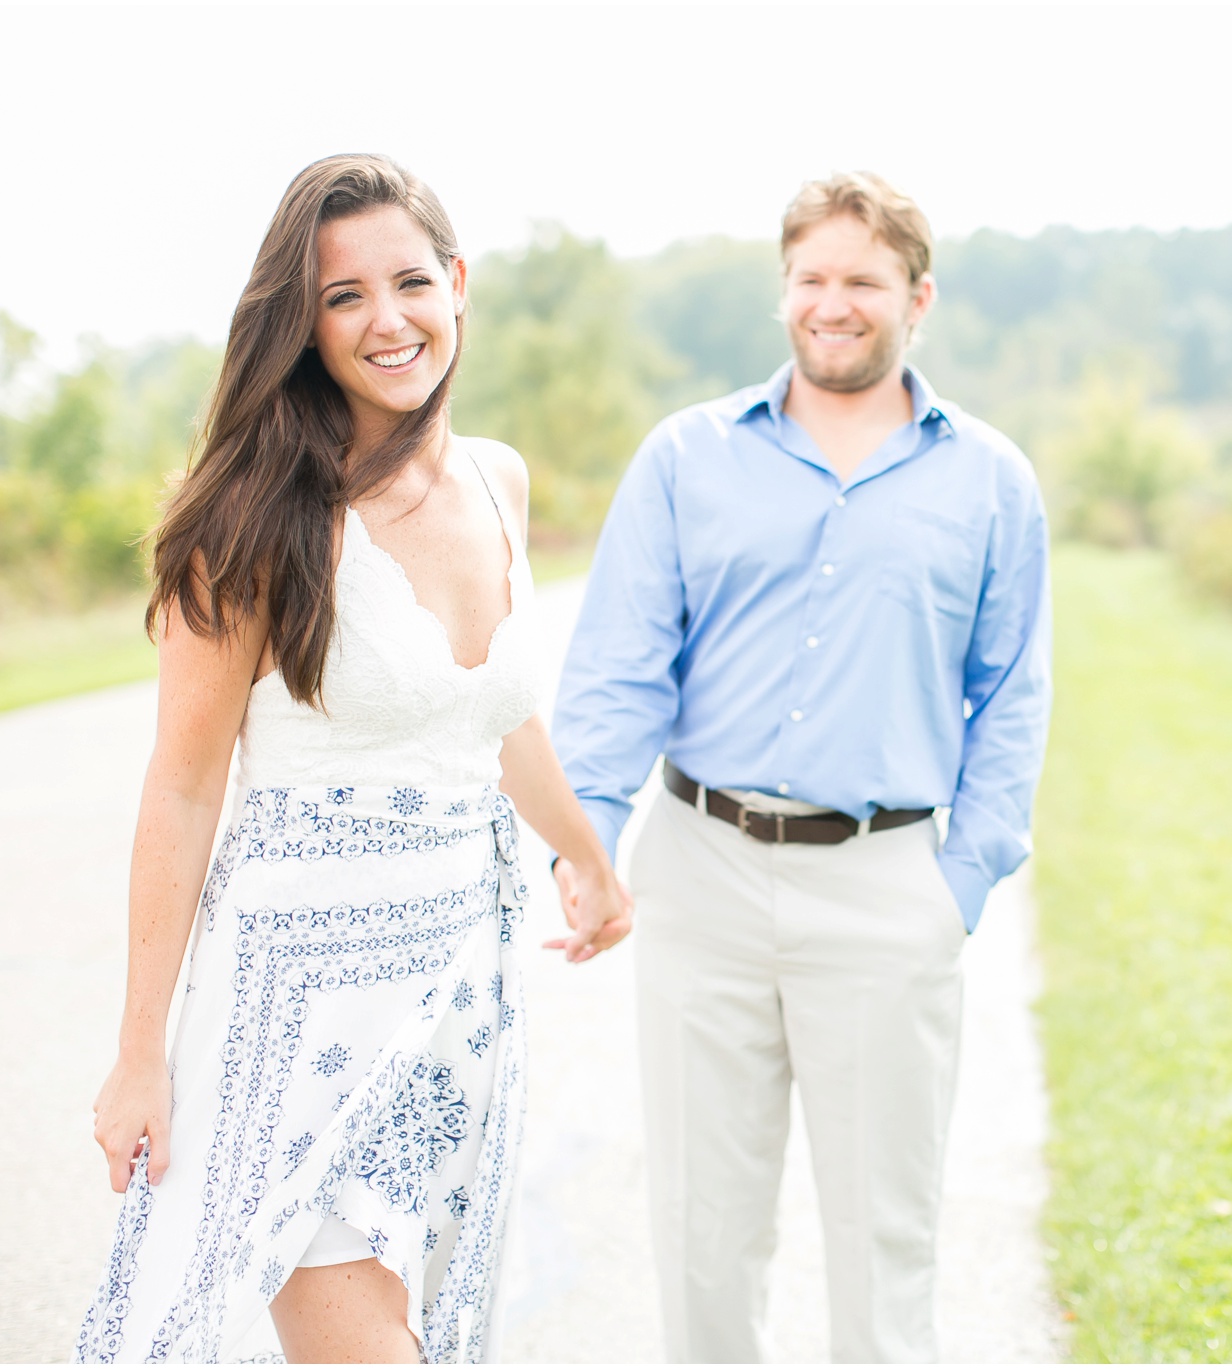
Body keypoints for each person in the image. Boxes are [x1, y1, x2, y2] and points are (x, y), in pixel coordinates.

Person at [74, 154, 632, 1365]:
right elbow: (179, 786)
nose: (388, 321)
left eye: (410, 282)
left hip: (459, 990)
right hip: (294, 1000)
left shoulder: (497, 481)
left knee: (420, 1325)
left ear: (458, 286)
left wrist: (586, 856)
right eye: (342, 297)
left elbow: (493, 718)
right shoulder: (249, 520)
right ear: (302, 322)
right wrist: (137, 1055)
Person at [552, 171, 1053, 1362]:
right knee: (701, 1227)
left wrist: (959, 884)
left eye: (862, 282)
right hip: (700, 872)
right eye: (812, 279)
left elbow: (1013, 695)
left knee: (883, 1235)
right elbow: (621, 665)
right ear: (784, 290)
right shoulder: (685, 457)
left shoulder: (989, 480)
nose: (834, 303)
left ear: (915, 299)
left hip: (886, 888)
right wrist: (587, 841)